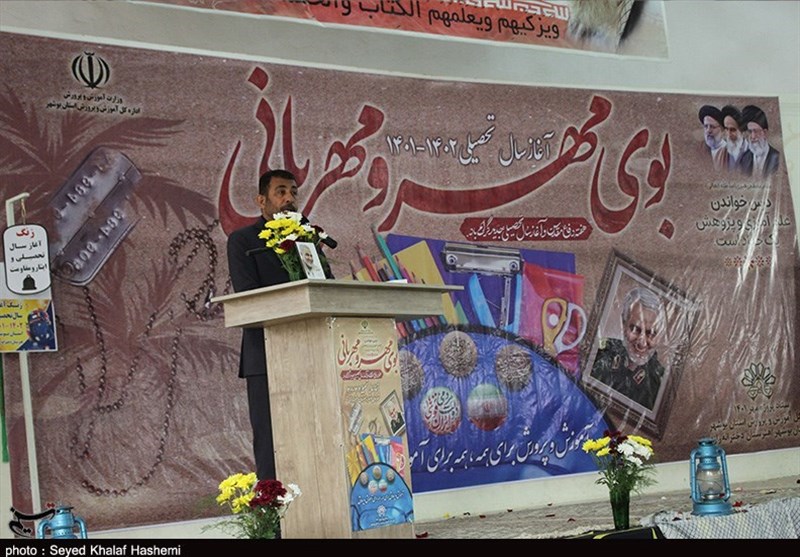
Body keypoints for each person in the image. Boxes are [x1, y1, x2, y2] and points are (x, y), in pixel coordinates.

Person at [226, 169, 333, 480]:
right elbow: (247, 296)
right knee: (272, 444)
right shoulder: (244, 241)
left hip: (311, 352)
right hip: (267, 355)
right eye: (281, 192)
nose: (289, 198)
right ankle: (275, 508)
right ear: (261, 201)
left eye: (293, 192)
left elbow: (326, 288)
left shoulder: (307, 239)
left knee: (317, 436)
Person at [590, 286, 665, 410]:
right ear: (623, 324)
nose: (642, 343)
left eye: (650, 333)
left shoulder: (660, 383)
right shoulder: (599, 354)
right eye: (635, 329)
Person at [739, 105, 781, 179]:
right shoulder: (745, 158)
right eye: (750, 132)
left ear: (765, 133)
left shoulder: (778, 159)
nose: (753, 136)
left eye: (756, 131)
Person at [715, 105, 748, 173]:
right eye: (726, 129)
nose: (729, 134)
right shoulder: (720, 154)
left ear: (741, 131)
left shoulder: (751, 151)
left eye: (732, 130)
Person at [698, 105, 726, 170]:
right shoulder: (701, 149)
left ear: (722, 130)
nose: (708, 131)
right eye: (706, 126)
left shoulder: (729, 152)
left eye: (712, 127)